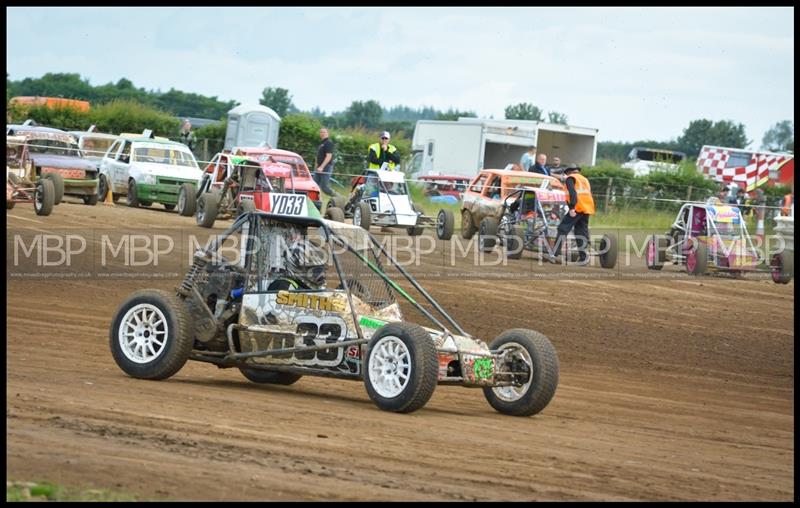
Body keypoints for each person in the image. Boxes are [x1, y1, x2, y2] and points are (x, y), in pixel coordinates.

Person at [549, 165, 595, 264]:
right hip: (586, 209)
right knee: (581, 233)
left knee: (562, 228)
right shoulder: (584, 179)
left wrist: (572, 208)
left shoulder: (571, 178)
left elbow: (573, 193)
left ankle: (554, 254)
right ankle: (583, 258)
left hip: (577, 207)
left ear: (569, 172)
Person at [314, 127, 336, 197]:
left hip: (326, 167)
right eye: (321, 132)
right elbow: (318, 156)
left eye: (324, 132)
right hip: (319, 167)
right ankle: (316, 200)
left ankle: (338, 197)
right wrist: (316, 166)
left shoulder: (329, 143)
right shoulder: (321, 144)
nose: (322, 133)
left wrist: (321, 167)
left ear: (327, 133)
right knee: (314, 185)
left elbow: (328, 156)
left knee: (324, 187)